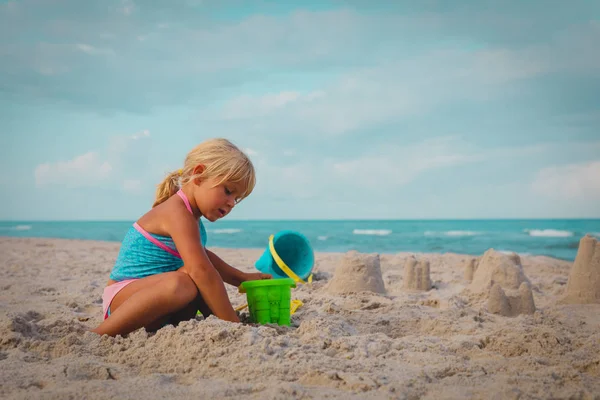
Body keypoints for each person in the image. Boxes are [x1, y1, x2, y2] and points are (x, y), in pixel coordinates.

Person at [91, 138, 271, 337]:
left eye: (236, 198)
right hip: (123, 302)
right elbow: (201, 270)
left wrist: (241, 278)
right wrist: (233, 323)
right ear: (199, 175)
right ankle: (99, 333)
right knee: (185, 280)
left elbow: (205, 258)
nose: (231, 203)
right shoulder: (177, 213)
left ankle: (224, 324)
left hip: (158, 307)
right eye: (228, 191)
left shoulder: (193, 219)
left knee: (193, 275)